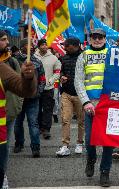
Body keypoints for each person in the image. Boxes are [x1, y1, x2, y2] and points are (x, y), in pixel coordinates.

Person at [74, 28, 113, 187]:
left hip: (110, 104)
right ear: (90, 39)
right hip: (91, 104)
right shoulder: (83, 56)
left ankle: (105, 172)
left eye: (100, 37)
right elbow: (78, 81)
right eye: (94, 37)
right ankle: (91, 159)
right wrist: (85, 102)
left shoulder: (114, 54)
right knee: (90, 139)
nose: (97, 40)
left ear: (105, 38)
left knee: (108, 141)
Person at [0, 30, 37, 188]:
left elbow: (26, 90)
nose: (7, 43)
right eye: (3, 40)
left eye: (6, 40)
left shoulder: (3, 67)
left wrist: (28, 77)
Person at [13, 38, 46, 157]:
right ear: (22, 47)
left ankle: (35, 147)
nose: (30, 47)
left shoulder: (37, 61)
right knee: (18, 123)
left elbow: (42, 79)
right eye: (27, 45)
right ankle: (19, 143)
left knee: (33, 123)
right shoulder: (14, 61)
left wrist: (38, 92)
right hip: (18, 98)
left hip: (33, 98)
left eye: (31, 45)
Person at [56, 37, 84, 157]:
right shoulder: (63, 58)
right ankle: (65, 146)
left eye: (67, 45)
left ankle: (79, 143)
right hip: (66, 93)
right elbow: (61, 72)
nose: (65, 47)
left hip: (80, 95)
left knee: (81, 121)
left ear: (75, 46)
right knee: (65, 119)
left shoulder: (84, 57)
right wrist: (62, 76)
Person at [34, 39, 61, 140]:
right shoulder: (33, 57)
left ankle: (46, 129)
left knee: (48, 109)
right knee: (37, 109)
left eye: (46, 45)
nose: (44, 46)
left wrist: (50, 81)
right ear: (38, 46)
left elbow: (57, 72)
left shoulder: (53, 58)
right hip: (36, 88)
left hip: (48, 88)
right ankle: (40, 127)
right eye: (42, 45)